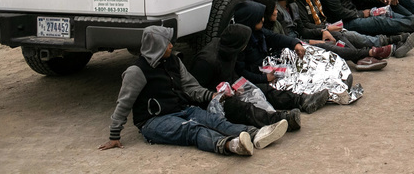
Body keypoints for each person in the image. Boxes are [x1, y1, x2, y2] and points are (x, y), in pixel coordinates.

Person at [99, 26, 286, 156]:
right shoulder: (136, 71)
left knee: (214, 120)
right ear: (156, 46)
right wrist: (114, 135)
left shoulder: (174, 61)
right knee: (192, 130)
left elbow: (190, 86)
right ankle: (231, 145)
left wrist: (211, 95)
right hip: (153, 121)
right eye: (167, 43)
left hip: (182, 109)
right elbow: (123, 104)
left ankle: (255, 134)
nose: (172, 45)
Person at [291, 0, 414, 62]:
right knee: (359, 34)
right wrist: (325, 29)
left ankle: (408, 30)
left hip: (333, 25)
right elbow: (305, 26)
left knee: (376, 21)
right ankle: (393, 44)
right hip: (333, 26)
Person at [190, 23, 302, 131]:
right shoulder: (206, 61)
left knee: (261, 89)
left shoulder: (230, 49)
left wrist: (236, 85)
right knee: (243, 108)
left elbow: (231, 72)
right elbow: (195, 91)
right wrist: (218, 94)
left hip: (230, 87)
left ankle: (301, 100)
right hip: (214, 99)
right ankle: (278, 120)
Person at [233, 0, 330, 114]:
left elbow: (276, 38)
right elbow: (240, 72)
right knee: (268, 91)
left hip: (263, 69)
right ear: (251, 20)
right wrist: (264, 78)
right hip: (252, 79)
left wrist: (295, 44)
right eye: (259, 18)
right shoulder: (239, 41)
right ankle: (302, 101)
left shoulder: (258, 33)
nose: (263, 20)